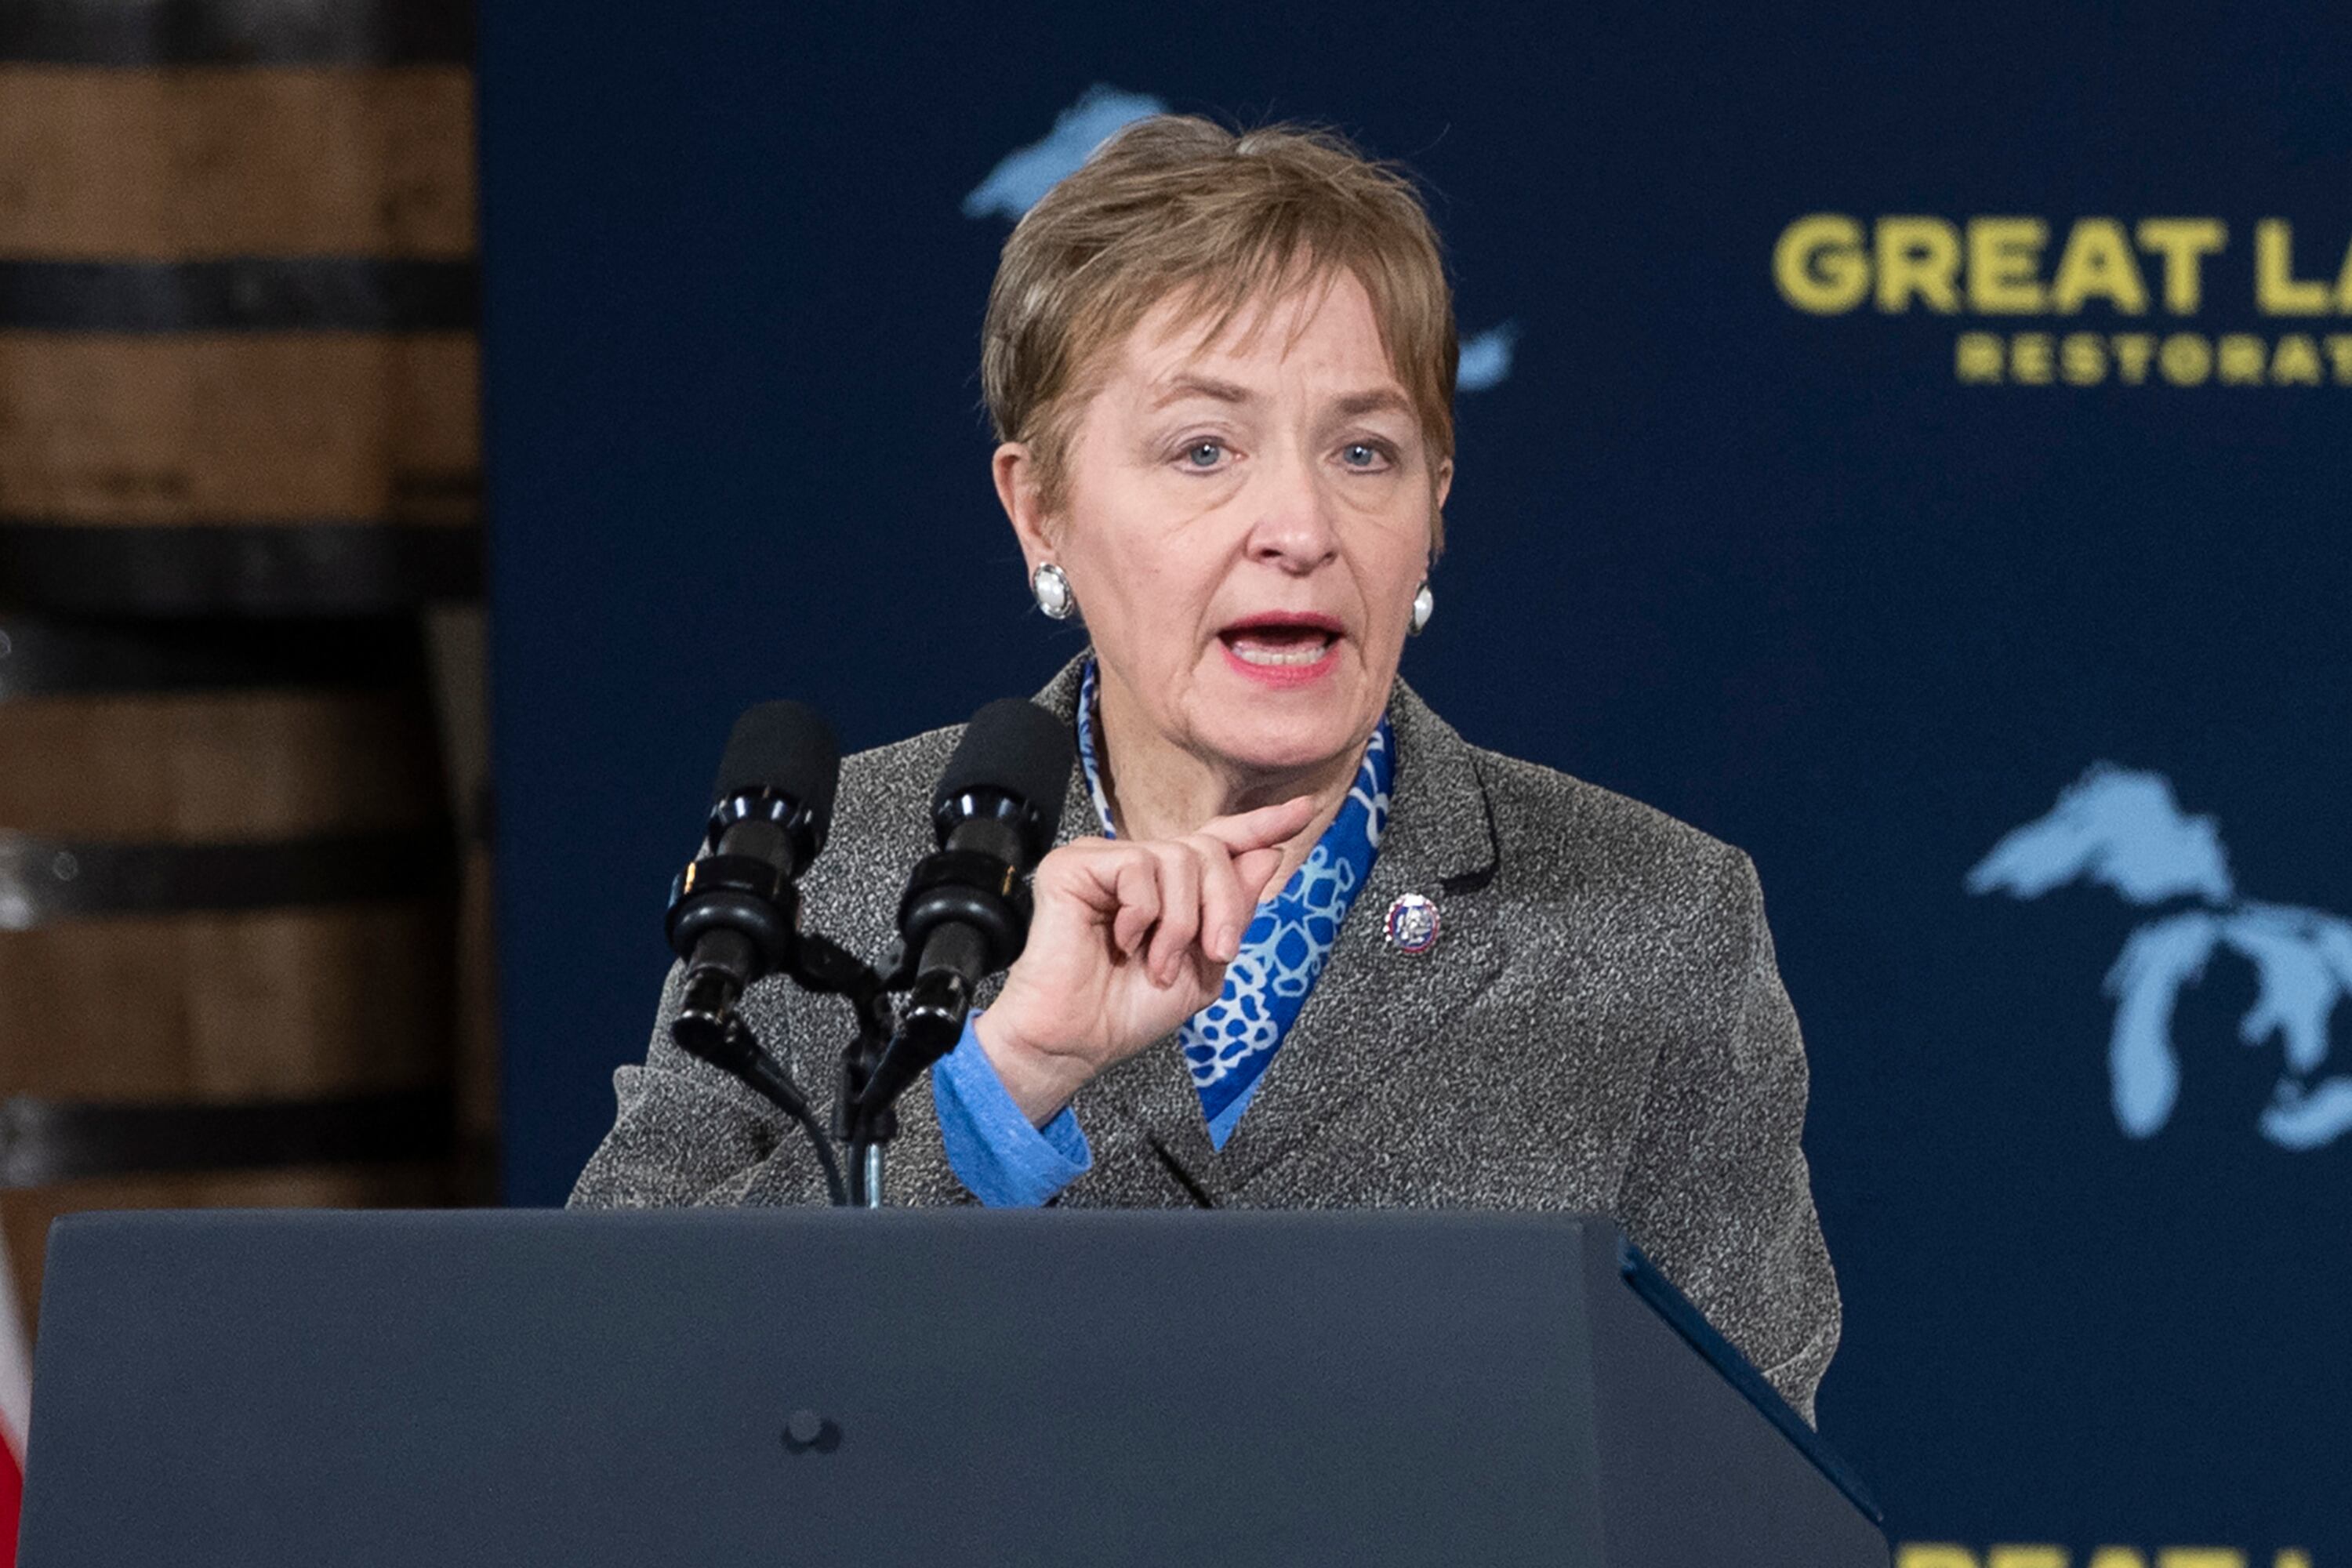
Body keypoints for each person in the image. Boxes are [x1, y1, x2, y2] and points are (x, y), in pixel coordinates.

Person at [572, 116, 1841, 1421]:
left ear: (1435, 506)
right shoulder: (838, 874)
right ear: (1039, 510)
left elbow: (1742, 1504)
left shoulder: (1660, 921)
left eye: (1365, 452)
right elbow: (607, 1387)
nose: (1299, 528)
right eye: (1203, 450)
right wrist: (995, 1093)